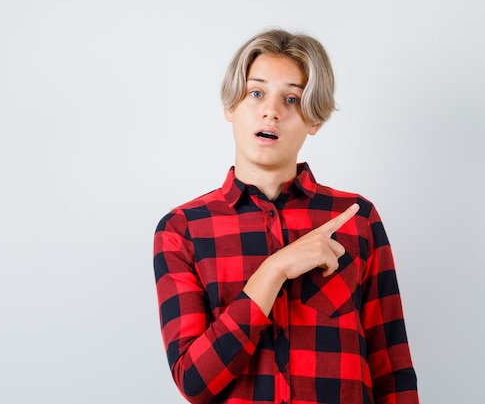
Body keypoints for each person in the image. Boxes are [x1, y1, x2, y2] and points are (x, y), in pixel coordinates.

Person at [153, 28, 419, 404]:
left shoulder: (355, 219)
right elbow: (194, 382)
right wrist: (273, 270)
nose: (271, 111)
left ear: (315, 120)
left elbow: (392, 369)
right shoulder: (183, 230)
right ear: (231, 107)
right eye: (256, 93)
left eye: (291, 99)